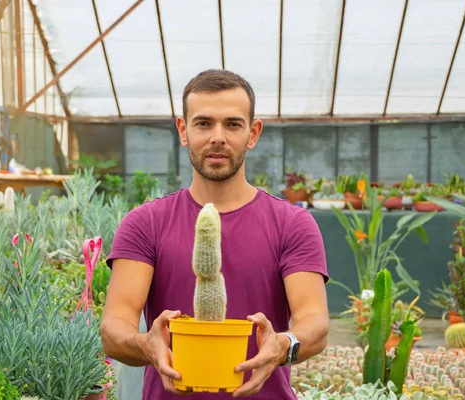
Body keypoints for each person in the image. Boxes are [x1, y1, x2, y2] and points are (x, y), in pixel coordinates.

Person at [100, 69, 330, 399]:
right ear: (184, 130)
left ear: (253, 133)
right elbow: (114, 326)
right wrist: (144, 344)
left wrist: (285, 344)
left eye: (233, 124)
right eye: (204, 123)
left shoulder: (292, 223)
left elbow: (315, 322)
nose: (217, 137)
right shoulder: (145, 223)